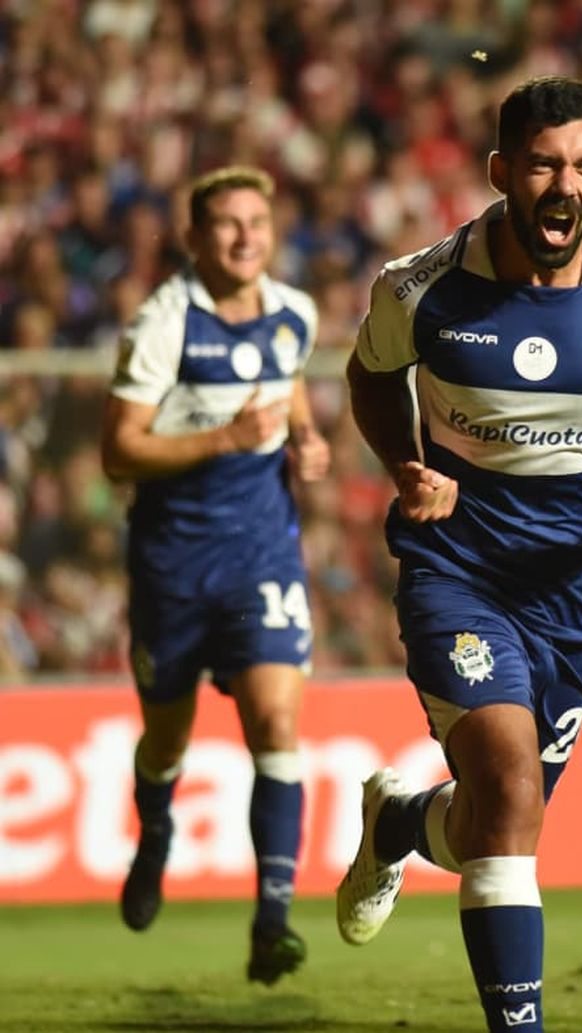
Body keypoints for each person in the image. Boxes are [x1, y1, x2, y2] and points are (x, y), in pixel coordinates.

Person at [336, 76, 582, 1033]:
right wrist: (407, 463)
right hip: (458, 570)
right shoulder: (420, 288)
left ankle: (400, 824)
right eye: (541, 164)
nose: (561, 184)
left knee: (499, 819)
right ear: (502, 172)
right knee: (504, 785)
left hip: (580, 590)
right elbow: (372, 377)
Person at [101, 165, 329, 984]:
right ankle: (155, 830)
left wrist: (304, 438)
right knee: (168, 738)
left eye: (257, 223)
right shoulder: (164, 324)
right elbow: (119, 448)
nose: (244, 238)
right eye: (226, 225)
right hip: (172, 563)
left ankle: (273, 919)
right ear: (196, 239)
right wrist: (223, 441)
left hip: (263, 551)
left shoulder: (293, 313)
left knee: (275, 720)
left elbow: (289, 385)